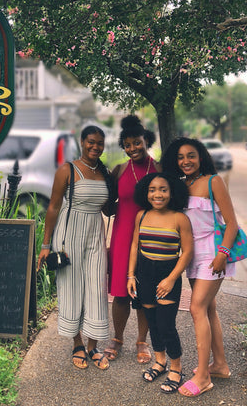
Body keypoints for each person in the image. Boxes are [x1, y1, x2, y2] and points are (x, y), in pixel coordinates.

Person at [161, 137, 238, 397]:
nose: (186, 161)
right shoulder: (181, 185)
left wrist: (223, 254)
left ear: (201, 156)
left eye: (191, 155)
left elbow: (232, 223)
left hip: (213, 255)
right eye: (181, 157)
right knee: (209, 308)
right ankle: (220, 365)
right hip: (192, 255)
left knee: (196, 308)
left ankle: (204, 377)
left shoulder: (213, 181)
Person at [37, 125, 114, 370]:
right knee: (71, 288)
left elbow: (107, 208)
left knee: (97, 288)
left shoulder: (105, 172)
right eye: (91, 142)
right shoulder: (67, 170)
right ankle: (77, 343)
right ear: (82, 142)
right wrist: (46, 244)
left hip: (95, 234)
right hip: (69, 235)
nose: (95, 147)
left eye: (99, 143)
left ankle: (93, 345)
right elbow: (53, 207)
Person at [127, 172, 194, 393]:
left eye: (163, 189)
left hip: (168, 275)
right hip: (144, 274)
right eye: (152, 190)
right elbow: (135, 245)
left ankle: (176, 367)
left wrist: (171, 279)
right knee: (152, 322)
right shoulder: (142, 215)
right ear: (145, 193)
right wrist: (130, 275)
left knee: (166, 325)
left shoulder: (180, 218)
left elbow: (187, 252)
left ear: (172, 192)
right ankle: (160, 361)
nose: (158, 194)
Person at [104, 115, 160, 364]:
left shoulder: (159, 170)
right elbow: (108, 208)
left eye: (137, 142)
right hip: (123, 236)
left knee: (146, 291)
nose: (132, 148)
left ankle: (141, 341)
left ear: (146, 140)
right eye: (127, 145)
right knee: (120, 293)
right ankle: (117, 338)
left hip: (151, 237)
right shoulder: (119, 170)